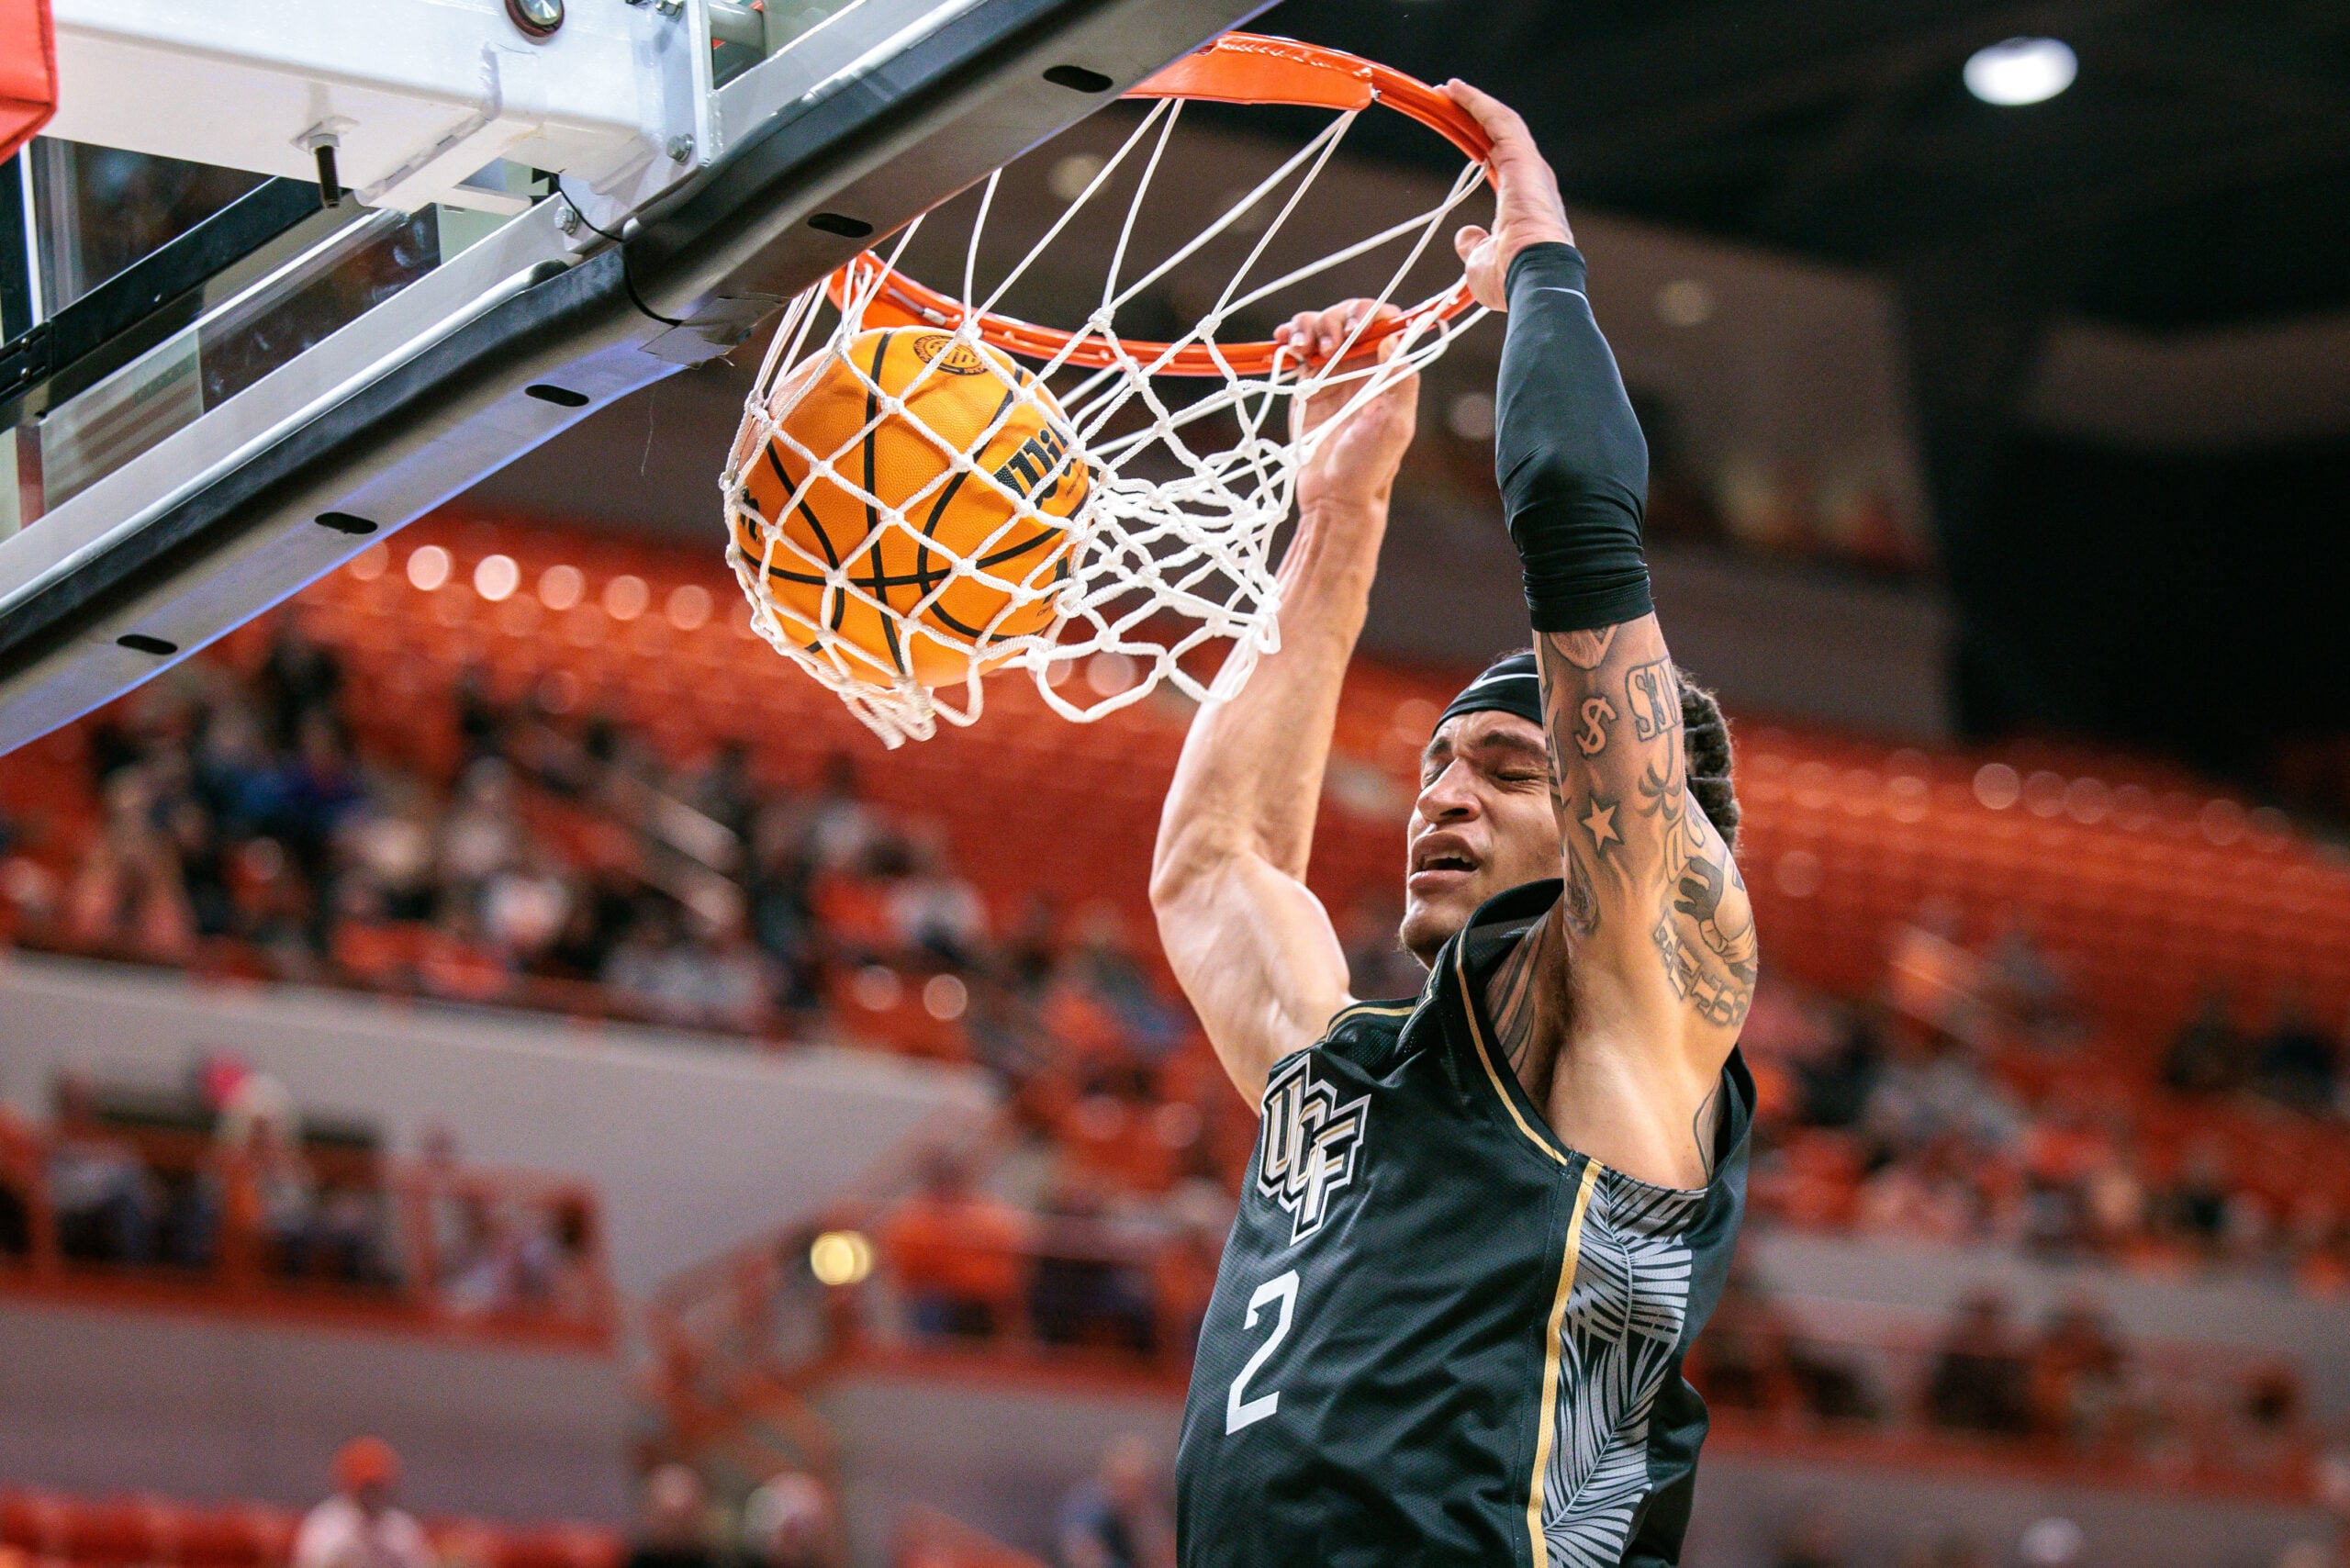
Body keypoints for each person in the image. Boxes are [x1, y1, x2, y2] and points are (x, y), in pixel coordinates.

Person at [1153, 82, 1755, 1568]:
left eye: (1501, 764)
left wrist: (1541, 255)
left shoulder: (1645, 1005)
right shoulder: (1342, 1070)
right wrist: (1336, 515)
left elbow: (1569, 511)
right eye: (1432, 765)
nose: (1438, 793)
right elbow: (1213, 865)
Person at [291, 1437, 433, 1568]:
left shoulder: (402, 1530)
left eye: (379, 1486)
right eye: (368, 1487)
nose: (373, 1494)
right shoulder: (325, 1525)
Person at [1058, 1436, 1174, 1568]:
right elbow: (1084, 1558)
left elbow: (1162, 1557)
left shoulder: (1148, 1513)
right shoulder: (1089, 1508)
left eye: (1145, 1486)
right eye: (1130, 1485)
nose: (1137, 1493)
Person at [624, 1464, 716, 1568]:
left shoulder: (719, 1560)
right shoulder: (626, 1559)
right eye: (668, 1519)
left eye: (684, 1518)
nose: (677, 1529)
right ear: (649, 1516)